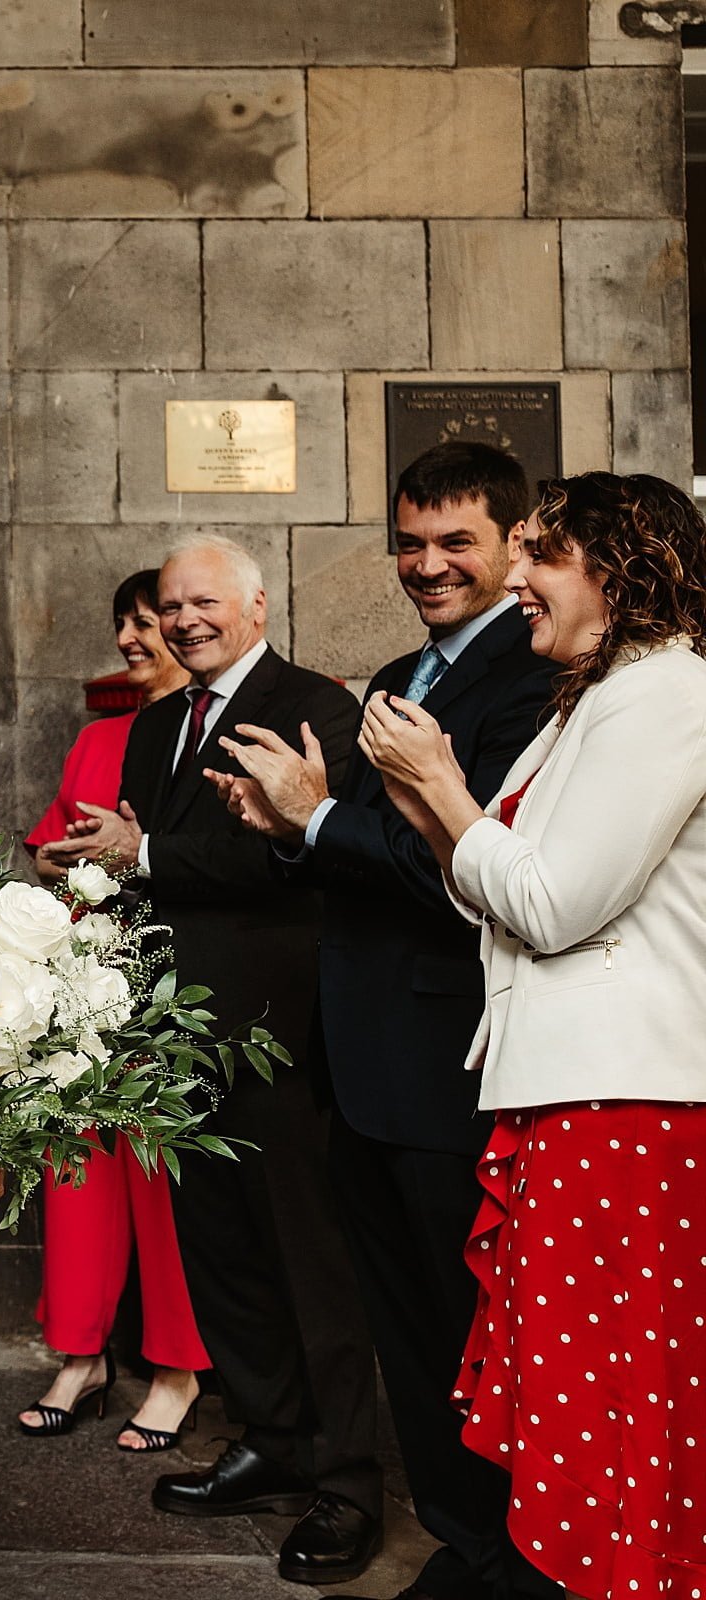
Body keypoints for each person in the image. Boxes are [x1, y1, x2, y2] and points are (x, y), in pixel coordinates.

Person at [214, 442, 561, 1600]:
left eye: (456, 541)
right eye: (410, 541)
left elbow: (459, 872)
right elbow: (358, 860)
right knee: (410, 1335)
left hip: (448, 1065)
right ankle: (461, 1538)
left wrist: (317, 821)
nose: (428, 563)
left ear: (516, 545)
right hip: (358, 1062)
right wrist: (286, 825)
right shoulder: (400, 675)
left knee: (475, 1330)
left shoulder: (533, 679)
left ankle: (509, 1556)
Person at [359, 471, 706, 1600]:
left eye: (541, 557)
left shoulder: (670, 694)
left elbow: (553, 903)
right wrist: (424, 799)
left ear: (621, 570)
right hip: (567, 1089)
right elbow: (486, 894)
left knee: (609, 1392)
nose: (515, 578)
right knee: (572, 1384)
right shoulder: (585, 703)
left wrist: (443, 787)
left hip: (628, 1098)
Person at [42, 534, 384, 1586]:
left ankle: (348, 1482)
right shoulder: (153, 725)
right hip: (179, 1037)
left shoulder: (316, 706)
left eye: (205, 603)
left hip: (280, 1035)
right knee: (224, 1259)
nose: (185, 619)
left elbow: (279, 858)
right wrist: (114, 868)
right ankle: (271, 1441)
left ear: (257, 603)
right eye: (172, 605)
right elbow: (156, 863)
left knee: (306, 1264)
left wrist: (138, 853)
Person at [16, 569, 209, 1452]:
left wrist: (133, 858)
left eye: (149, 621)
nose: (134, 638)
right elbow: (49, 849)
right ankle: (81, 1355)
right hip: (84, 988)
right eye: (125, 623)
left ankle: (176, 1369)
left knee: (165, 1188)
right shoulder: (99, 739)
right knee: (75, 1176)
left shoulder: (211, 732)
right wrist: (74, 862)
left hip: (173, 988)